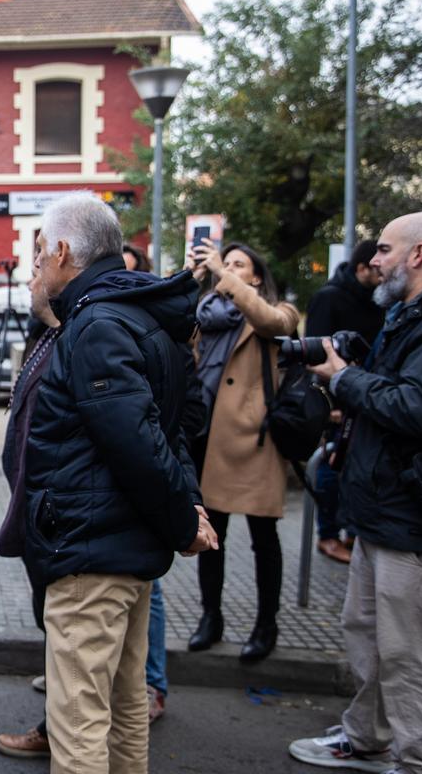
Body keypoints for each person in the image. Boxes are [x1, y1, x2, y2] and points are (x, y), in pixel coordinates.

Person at [22, 194, 215, 774]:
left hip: (91, 552)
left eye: (38, 253)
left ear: (62, 251)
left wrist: (184, 519)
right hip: (124, 547)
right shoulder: (135, 313)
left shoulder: (98, 324)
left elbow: (138, 441)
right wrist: (188, 509)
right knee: (125, 704)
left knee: (78, 721)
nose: (34, 266)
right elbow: (168, 430)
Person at [289, 212, 422, 774]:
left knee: (411, 655)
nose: (373, 261)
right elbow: (394, 395)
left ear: (418, 254)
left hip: (415, 521)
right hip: (382, 513)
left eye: (383, 249)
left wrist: (344, 378)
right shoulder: (408, 314)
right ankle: (367, 738)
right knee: (370, 639)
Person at [186, 242, 300, 662]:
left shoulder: (277, 311)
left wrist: (224, 276)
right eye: (224, 263)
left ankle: (266, 623)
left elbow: (271, 322)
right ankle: (209, 617)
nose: (227, 269)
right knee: (209, 535)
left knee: (263, 538)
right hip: (206, 436)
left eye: (238, 265)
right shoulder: (205, 313)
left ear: (255, 276)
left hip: (255, 439)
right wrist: (193, 276)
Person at [0, 253, 62, 761]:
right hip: (42, 514)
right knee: (54, 629)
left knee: (68, 638)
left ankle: (57, 731)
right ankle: (57, 720)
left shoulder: (80, 338)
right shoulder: (49, 337)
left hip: (62, 522)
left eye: (38, 268)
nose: (30, 280)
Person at [304, 240, 384, 565]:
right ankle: (328, 533)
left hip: (368, 396)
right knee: (331, 464)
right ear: (361, 268)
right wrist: (331, 402)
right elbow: (317, 351)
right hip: (338, 397)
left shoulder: (381, 300)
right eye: (375, 266)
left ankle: (351, 530)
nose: (381, 272)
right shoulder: (329, 297)